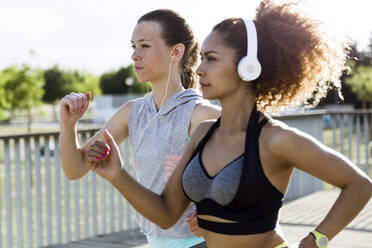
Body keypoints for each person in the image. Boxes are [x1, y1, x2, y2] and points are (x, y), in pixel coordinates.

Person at [88, 1, 372, 248]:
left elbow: (359, 185)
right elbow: (165, 214)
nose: (199, 69)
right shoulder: (203, 133)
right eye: (200, 59)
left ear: (248, 66)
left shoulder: (275, 139)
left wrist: (313, 241)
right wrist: (117, 175)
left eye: (211, 59)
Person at [59, 9, 220, 248]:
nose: (135, 55)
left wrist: (220, 211)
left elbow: (255, 165)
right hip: (154, 242)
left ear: (175, 51)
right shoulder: (131, 112)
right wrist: (68, 124)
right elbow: (76, 169)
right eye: (133, 46)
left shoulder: (199, 114)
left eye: (144, 46)